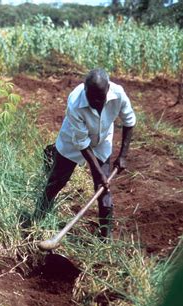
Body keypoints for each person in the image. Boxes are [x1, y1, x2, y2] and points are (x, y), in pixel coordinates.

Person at [31, 69, 136, 239]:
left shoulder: (119, 94)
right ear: (85, 89)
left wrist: (123, 155)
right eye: (91, 96)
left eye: (100, 97)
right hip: (72, 143)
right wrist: (98, 172)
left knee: (103, 192)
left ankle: (105, 238)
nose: (95, 102)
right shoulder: (75, 101)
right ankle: (37, 219)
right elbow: (81, 143)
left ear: (108, 89)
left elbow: (129, 121)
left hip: (102, 142)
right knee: (57, 181)